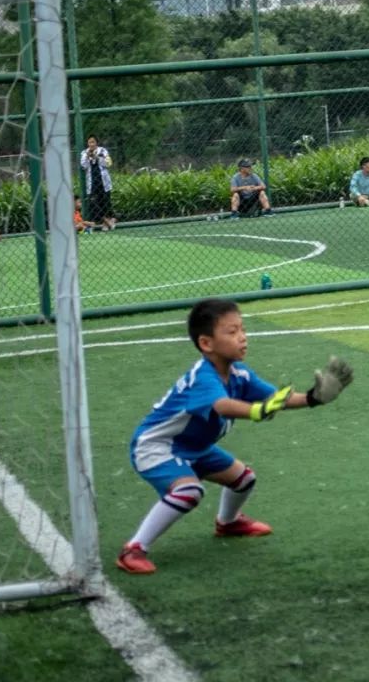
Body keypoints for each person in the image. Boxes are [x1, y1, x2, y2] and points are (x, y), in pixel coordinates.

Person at [116, 299, 354, 574]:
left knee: (243, 479)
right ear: (207, 344)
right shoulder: (203, 377)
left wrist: (314, 398)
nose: (242, 337)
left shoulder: (239, 373)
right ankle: (133, 549)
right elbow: (223, 406)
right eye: (232, 332)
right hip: (157, 447)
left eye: (242, 329)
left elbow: (275, 398)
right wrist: (256, 411)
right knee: (189, 491)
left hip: (194, 447)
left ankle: (227, 523)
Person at [80, 135, 116, 231]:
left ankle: (106, 222)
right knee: (94, 203)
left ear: (96, 143)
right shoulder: (84, 152)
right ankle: (108, 221)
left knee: (105, 202)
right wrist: (88, 157)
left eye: (93, 142)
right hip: (92, 183)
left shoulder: (103, 151)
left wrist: (97, 157)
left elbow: (108, 163)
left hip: (103, 181)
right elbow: (83, 166)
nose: (91, 144)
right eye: (89, 142)